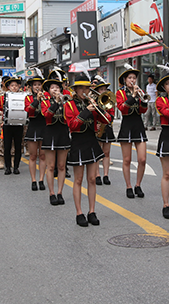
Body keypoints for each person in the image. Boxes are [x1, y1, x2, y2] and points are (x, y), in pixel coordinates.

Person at [64, 73, 112, 227]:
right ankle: (79, 213)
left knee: (92, 179)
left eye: (88, 88)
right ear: (76, 89)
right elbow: (72, 125)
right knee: (78, 180)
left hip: (91, 141)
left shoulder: (93, 103)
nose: (86, 91)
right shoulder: (69, 105)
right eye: (83, 88)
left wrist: (100, 108)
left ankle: (92, 211)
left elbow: (107, 120)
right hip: (78, 142)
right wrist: (86, 111)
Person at [116, 64, 148, 198]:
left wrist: (143, 100)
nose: (132, 80)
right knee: (127, 159)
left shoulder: (139, 90)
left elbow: (142, 110)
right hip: (127, 124)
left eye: (134, 78)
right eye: (130, 78)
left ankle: (138, 185)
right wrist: (133, 95)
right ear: (125, 80)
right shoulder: (120, 93)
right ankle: (128, 186)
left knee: (142, 159)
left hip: (138, 124)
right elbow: (122, 108)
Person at [41, 75, 70, 205]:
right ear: (49, 90)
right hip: (50, 133)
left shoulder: (66, 100)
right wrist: (57, 103)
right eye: (52, 88)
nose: (55, 90)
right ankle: (51, 193)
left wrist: (64, 102)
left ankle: (60, 192)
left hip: (63, 133)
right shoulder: (45, 101)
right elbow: (47, 114)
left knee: (62, 166)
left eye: (57, 87)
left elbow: (69, 115)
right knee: (51, 166)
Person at [155, 66, 169, 219]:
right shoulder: (160, 100)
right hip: (168, 137)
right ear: (164, 87)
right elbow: (167, 113)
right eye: (168, 83)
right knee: (168, 173)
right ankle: (166, 204)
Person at [0, 77, 24, 174]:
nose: (14, 87)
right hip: (7, 124)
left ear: (19, 86)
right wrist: (0, 113)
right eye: (12, 86)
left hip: (19, 124)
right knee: (7, 146)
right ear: (8, 87)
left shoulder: (23, 97)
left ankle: (16, 167)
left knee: (18, 146)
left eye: (16, 85)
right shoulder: (3, 97)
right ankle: (8, 167)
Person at [93, 76, 116, 186]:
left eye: (105, 89)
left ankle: (106, 175)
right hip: (98, 128)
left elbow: (112, 115)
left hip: (107, 127)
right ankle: (97, 175)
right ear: (97, 91)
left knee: (106, 153)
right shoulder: (94, 101)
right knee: (98, 153)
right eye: (101, 90)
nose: (103, 91)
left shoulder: (109, 100)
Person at [24, 75, 46, 191]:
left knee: (43, 156)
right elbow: (29, 111)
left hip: (44, 127)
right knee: (33, 156)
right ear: (31, 87)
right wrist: (37, 99)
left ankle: (41, 179)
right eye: (35, 85)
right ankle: (33, 180)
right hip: (33, 126)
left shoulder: (46, 97)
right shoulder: (28, 98)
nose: (37, 87)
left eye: (39, 84)